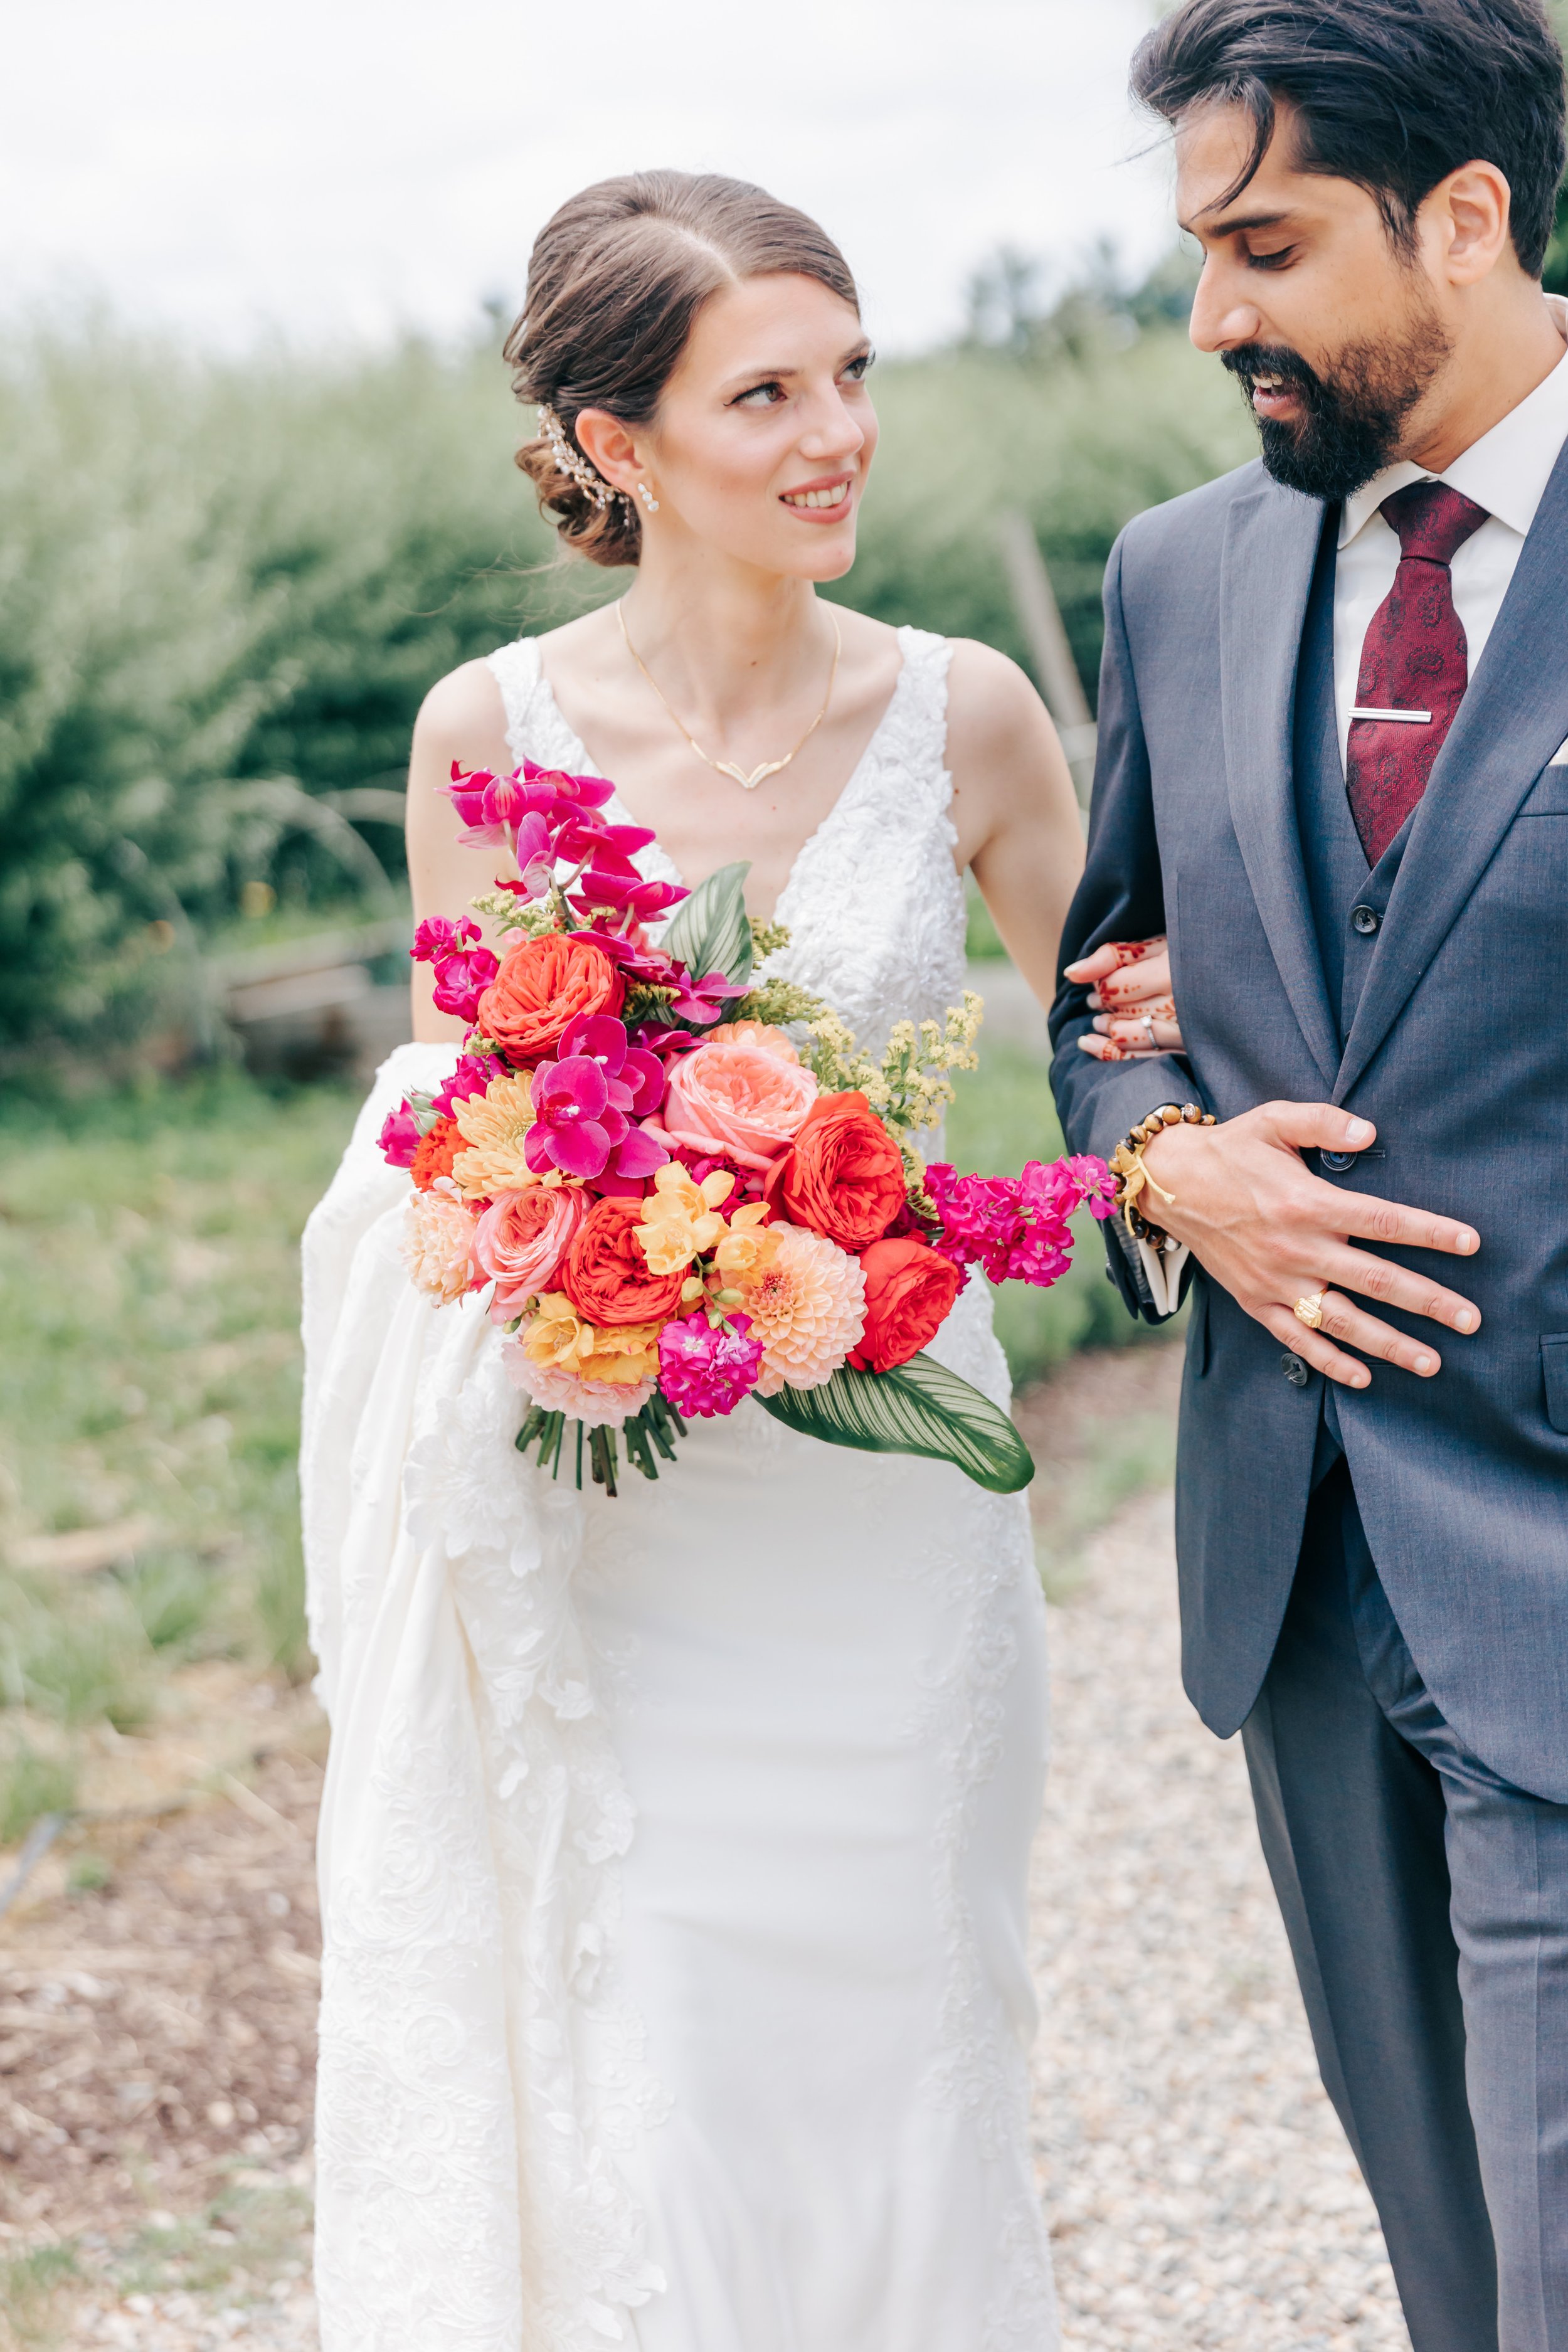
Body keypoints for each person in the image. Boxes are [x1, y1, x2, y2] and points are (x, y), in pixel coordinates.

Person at [300, 170, 1175, 2349]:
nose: (838, 432)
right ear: (615, 446)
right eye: (764, 390)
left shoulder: (967, 715)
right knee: (659, 2038)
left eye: (852, 374)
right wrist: (582, 1232)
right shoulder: (484, 738)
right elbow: (456, 1133)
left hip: (890, 1504)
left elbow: (1123, 1040)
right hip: (626, 1514)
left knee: (900, 2029)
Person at [1051, 5, 1568, 2347]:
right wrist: (1169, 1167)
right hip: (1301, 1569)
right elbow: (1102, 997)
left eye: (1263, 248)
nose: (1208, 318)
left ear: (1463, 215)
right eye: (1195, 251)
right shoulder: (1179, 574)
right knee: (1453, 2269)